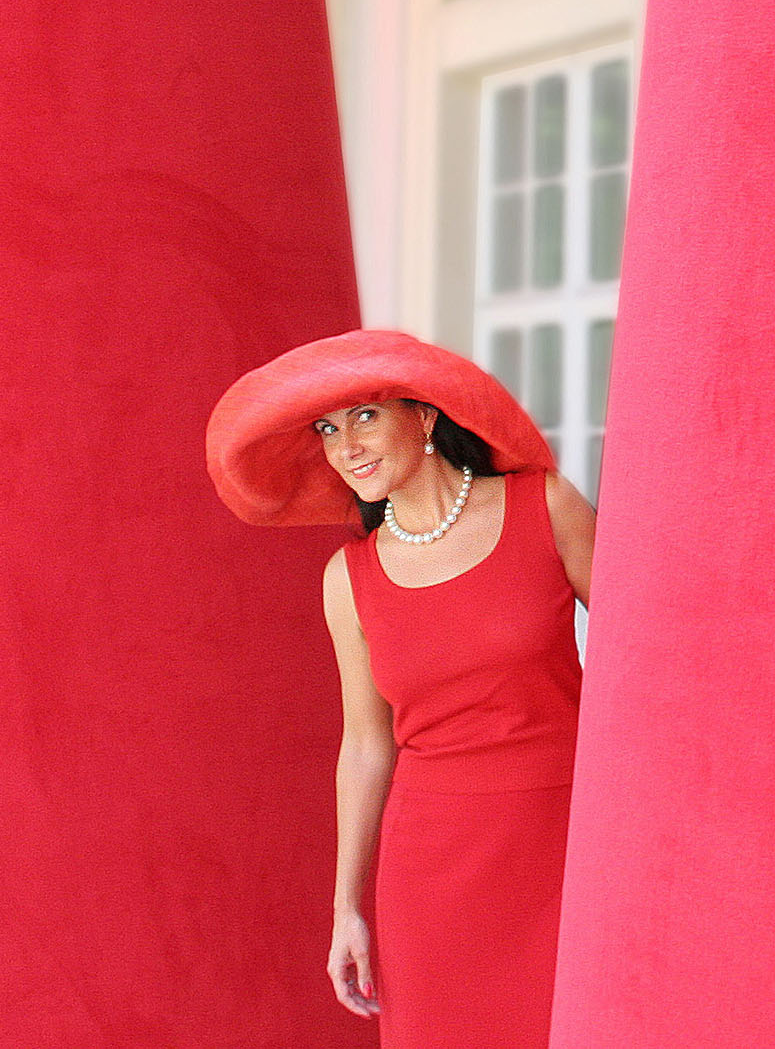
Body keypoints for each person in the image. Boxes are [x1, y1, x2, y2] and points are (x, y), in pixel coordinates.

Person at [205, 328, 596, 1047]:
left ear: (425, 416)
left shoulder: (546, 507)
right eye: (328, 428)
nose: (345, 445)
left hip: (566, 845)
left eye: (365, 415)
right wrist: (346, 907)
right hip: (431, 874)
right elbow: (364, 745)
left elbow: (643, 666)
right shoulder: (347, 580)